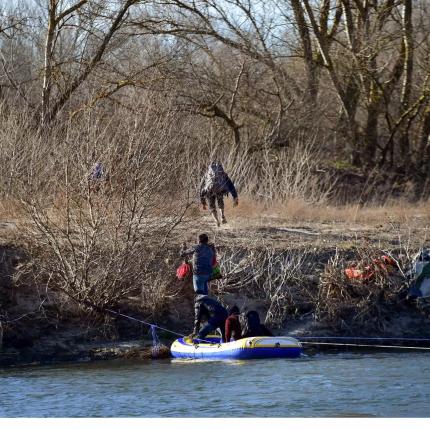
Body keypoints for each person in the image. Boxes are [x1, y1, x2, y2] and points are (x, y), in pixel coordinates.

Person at [200, 161, 238, 227]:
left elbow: (201, 188)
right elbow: (231, 186)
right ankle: (222, 216)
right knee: (220, 202)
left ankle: (216, 221)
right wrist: (235, 197)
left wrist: (203, 201)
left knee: (212, 206)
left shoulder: (207, 176)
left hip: (209, 191)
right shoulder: (223, 175)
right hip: (220, 190)